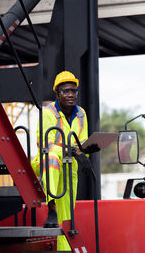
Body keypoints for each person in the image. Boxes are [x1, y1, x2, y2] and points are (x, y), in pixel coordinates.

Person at [31, 71, 99, 251]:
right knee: (53, 154)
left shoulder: (82, 114)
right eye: (66, 91)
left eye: (74, 91)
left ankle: (65, 249)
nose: (71, 94)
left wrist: (86, 150)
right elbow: (47, 143)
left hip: (69, 165)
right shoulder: (47, 113)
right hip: (46, 161)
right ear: (57, 94)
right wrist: (72, 150)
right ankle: (51, 206)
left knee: (67, 216)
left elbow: (81, 141)